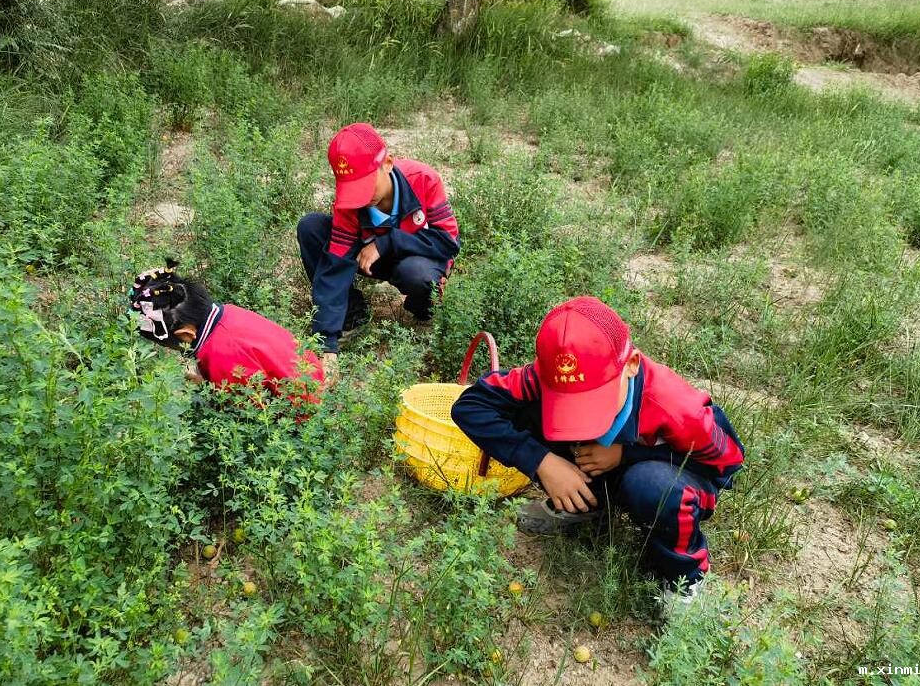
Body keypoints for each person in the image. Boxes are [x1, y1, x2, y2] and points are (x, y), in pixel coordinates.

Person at [451, 297, 744, 603]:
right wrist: (542, 462)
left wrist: (628, 455)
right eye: (565, 401)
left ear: (630, 365)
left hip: (667, 477)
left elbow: (726, 465)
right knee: (522, 410)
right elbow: (471, 406)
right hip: (594, 464)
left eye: (594, 399)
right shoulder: (545, 375)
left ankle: (683, 581)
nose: (582, 422)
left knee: (653, 486)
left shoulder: (680, 410)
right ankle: (583, 505)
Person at [297, 122, 460, 380]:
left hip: (416, 259)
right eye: (352, 189)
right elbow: (335, 265)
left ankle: (424, 308)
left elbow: (448, 241)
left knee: (418, 276)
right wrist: (327, 343)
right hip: (369, 261)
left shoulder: (424, 179)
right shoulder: (348, 205)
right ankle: (353, 313)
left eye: (365, 184)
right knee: (311, 227)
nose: (361, 198)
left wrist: (387, 242)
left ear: (388, 163)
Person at [128, 261, 323, 399]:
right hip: (311, 374)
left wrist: (207, 388)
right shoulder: (229, 312)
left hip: (301, 409)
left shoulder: (221, 356)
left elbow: (244, 408)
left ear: (186, 335)